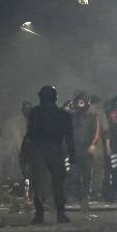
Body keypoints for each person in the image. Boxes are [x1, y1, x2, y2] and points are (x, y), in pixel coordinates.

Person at [24, 86, 74, 223]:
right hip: (53, 150)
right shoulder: (63, 115)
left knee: (39, 183)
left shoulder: (35, 113)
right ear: (55, 98)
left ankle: (40, 214)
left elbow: (29, 135)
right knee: (57, 183)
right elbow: (69, 138)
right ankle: (59, 213)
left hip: (39, 150)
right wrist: (72, 154)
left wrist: (25, 154)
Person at [70, 91, 101, 212]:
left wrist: (93, 144)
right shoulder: (72, 117)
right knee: (75, 175)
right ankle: (78, 196)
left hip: (87, 149)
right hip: (75, 149)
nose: (80, 103)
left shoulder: (93, 117)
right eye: (79, 101)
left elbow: (96, 131)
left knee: (87, 175)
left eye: (82, 101)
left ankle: (84, 197)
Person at [102, 95, 117, 201]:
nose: (116, 114)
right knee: (114, 171)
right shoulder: (109, 125)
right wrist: (108, 147)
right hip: (114, 150)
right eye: (114, 111)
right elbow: (107, 134)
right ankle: (112, 194)